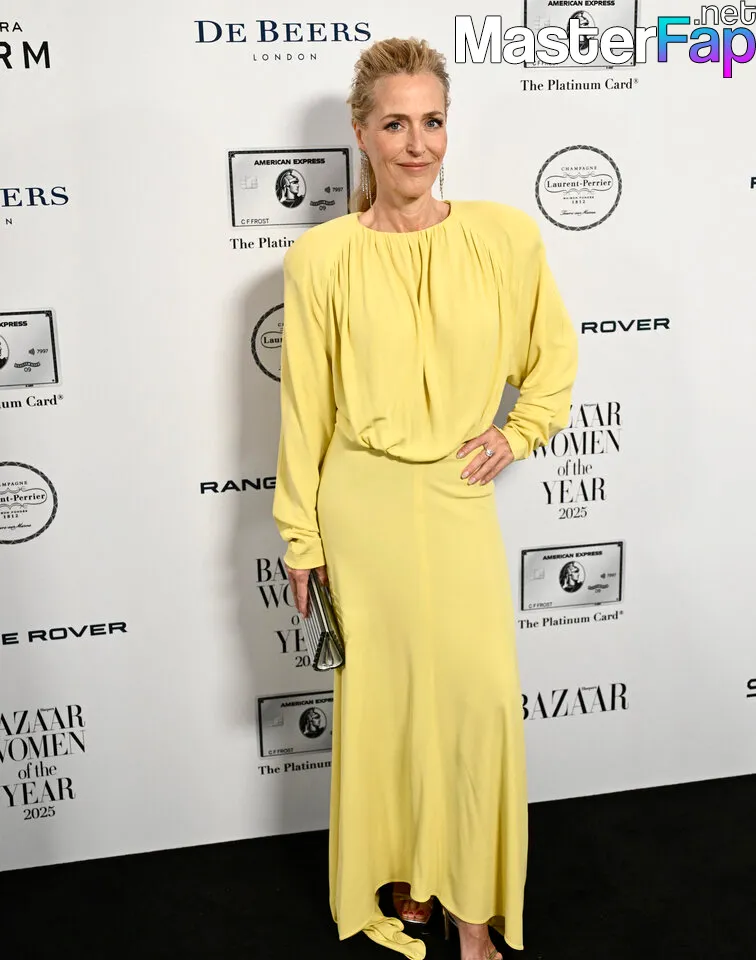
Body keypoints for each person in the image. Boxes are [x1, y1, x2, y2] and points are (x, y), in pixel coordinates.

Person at [272, 37, 578, 960]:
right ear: (361, 133)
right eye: (396, 124)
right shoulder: (321, 256)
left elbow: (552, 361)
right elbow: (306, 408)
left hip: (455, 497)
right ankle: (409, 875)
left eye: (433, 121)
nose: (417, 144)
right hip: (359, 504)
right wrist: (301, 537)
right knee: (386, 707)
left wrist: (515, 433)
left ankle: (472, 910)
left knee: (475, 704)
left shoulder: (503, 236)